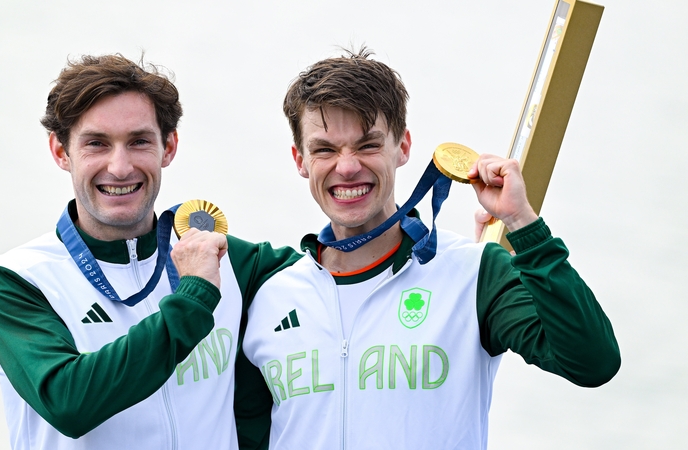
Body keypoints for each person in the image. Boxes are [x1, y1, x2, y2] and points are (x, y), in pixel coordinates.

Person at [235, 48, 621, 449]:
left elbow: (593, 362)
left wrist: (522, 222)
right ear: (300, 159)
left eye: (367, 145)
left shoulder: (475, 274)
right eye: (325, 150)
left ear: (403, 147)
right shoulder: (269, 296)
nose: (347, 167)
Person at [0, 54, 299, 450]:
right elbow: (69, 403)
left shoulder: (229, 260)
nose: (119, 167)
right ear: (61, 152)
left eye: (139, 142)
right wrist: (194, 299)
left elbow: (338, 268)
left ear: (169, 147)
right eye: (97, 143)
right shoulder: (17, 281)